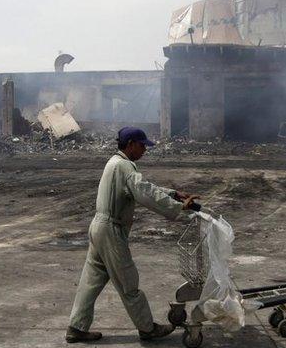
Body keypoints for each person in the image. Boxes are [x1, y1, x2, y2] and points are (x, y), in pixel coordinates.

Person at [66, 127, 199, 343]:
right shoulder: (124, 166)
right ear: (130, 144)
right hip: (110, 230)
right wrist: (178, 208)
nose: (145, 149)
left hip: (99, 227)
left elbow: (143, 187)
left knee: (91, 281)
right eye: (142, 145)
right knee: (129, 283)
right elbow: (145, 193)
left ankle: (76, 327)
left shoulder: (116, 163)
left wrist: (173, 194)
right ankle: (147, 328)